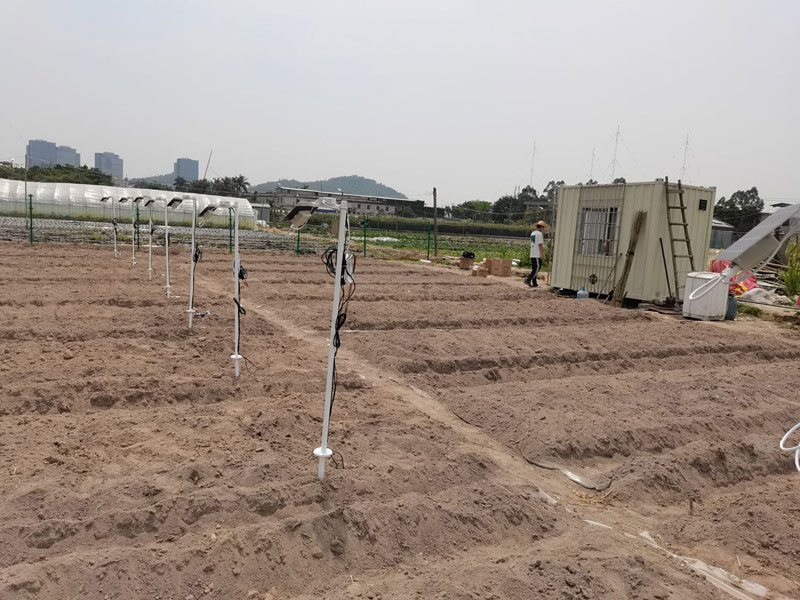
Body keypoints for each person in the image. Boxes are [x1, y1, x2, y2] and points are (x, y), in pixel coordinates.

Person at [524, 221, 548, 287]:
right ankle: (528, 280)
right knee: (537, 268)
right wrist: (542, 254)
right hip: (537, 254)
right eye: (543, 228)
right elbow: (540, 245)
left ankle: (534, 282)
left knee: (534, 268)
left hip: (532, 253)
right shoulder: (539, 234)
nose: (543, 229)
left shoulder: (533, 233)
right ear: (541, 227)